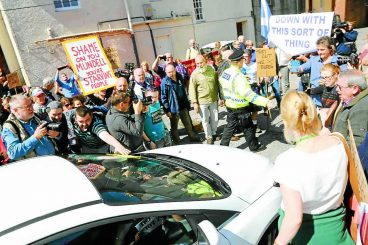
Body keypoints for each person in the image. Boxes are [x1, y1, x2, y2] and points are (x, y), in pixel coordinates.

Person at [273, 91, 353, 245]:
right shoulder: (338, 143)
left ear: (286, 120)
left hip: (304, 236)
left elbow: (294, 219)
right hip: (336, 229)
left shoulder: (287, 160)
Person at [219, 49, 270, 151]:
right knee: (248, 127)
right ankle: (254, 146)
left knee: (229, 127)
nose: (243, 62)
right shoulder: (239, 77)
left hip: (230, 105)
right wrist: (265, 101)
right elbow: (249, 95)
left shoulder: (226, 72)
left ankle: (222, 148)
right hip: (241, 106)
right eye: (242, 60)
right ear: (239, 62)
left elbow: (224, 82)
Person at [296, 36, 347, 107]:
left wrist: (331, 82)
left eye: (322, 50)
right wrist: (297, 67)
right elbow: (298, 69)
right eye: (318, 50)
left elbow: (346, 79)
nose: (319, 52)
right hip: (315, 101)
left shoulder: (339, 60)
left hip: (332, 100)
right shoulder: (314, 60)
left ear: (330, 48)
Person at [1, 94, 56, 160]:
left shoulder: (35, 116)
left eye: (31, 105)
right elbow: (13, 153)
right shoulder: (9, 127)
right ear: (15, 110)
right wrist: (35, 137)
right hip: (36, 167)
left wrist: (53, 135)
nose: (31, 108)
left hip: (53, 159)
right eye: (27, 107)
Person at [160, 64, 201, 144]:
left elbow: (184, 89)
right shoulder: (164, 83)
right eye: (168, 72)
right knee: (174, 127)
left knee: (188, 124)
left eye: (172, 71)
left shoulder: (179, 77)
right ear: (166, 72)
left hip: (183, 106)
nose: (170, 74)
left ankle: (192, 137)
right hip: (173, 108)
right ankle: (176, 141)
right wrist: (167, 110)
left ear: (175, 70)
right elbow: (163, 98)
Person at [189, 55, 222, 144]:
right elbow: (191, 90)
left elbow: (216, 84)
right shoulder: (194, 74)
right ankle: (209, 137)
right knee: (205, 120)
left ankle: (214, 132)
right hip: (202, 101)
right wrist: (195, 103)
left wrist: (220, 97)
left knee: (215, 118)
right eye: (197, 63)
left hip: (213, 98)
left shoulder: (211, 69)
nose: (199, 65)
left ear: (205, 61)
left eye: (201, 63)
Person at [332, 69, 368, 146]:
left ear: (355, 89)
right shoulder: (350, 100)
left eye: (340, 87)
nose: (337, 90)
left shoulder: (360, 109)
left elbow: (356, 142)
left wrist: (336, 153)